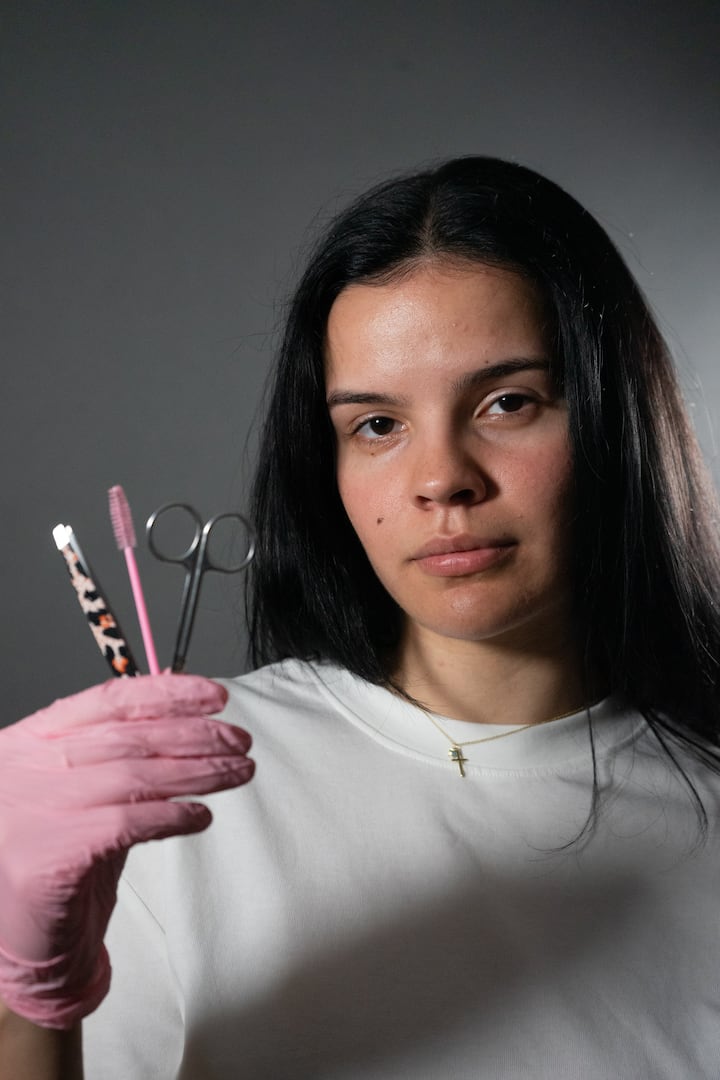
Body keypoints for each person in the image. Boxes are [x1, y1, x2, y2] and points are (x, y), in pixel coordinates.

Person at [1, 156, 719, 1079]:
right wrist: (26, 1006)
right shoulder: (178, 790)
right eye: (377, 425)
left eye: (508, 403)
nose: (442, 479)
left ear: (616, 422)